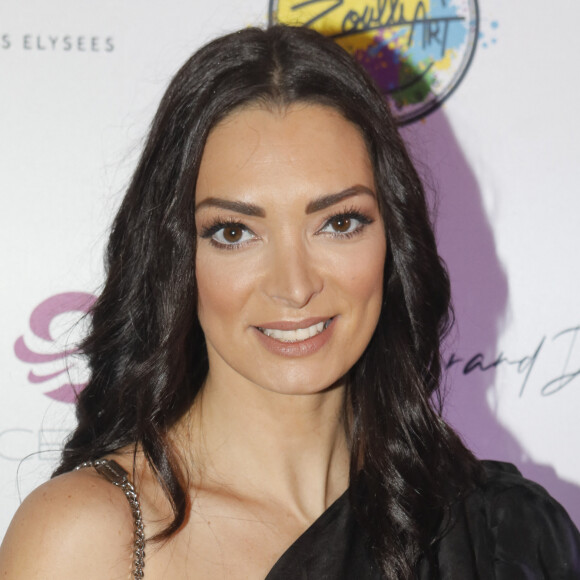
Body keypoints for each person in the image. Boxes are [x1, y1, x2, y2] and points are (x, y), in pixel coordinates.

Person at [0, 24, 579, 580]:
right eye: (234, 232)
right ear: (175, 258)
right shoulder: (89, 538)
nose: (295, 285)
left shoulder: (507, 536)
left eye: (339, 222)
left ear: (393, 239)